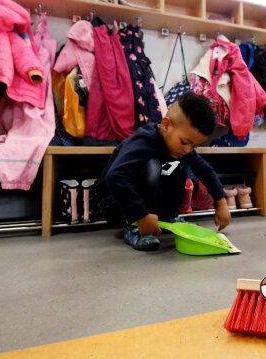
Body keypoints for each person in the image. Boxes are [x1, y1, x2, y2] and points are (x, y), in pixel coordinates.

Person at [95, 92, 231, 251]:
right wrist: (140, 216)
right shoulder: (143, 141)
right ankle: (134, 228)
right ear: (166, 125)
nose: (188, 149)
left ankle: (168, 217)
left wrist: (221, 202)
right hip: (116, 205)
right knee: (152, 164)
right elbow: (115, 177)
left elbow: (205, 171)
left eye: (193, 145)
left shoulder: (182, 149)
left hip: (148, 208)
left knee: (184, 161)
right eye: (185, 142)